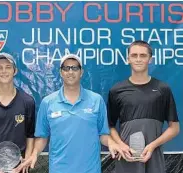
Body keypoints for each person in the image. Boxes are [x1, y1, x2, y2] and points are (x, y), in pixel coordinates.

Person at [17, 54, 124, 173]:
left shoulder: (96, 100)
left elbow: (103, 135)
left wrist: (111, 143)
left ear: (81, 72)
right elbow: (42, 137)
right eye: (66, 68)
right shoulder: (47, 102)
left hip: (90, 169)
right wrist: (34, 154)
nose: (70, 72)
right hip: (59, 169)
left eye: (75, 68)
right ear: (61, 72)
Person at [107, 40, 180, 173]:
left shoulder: (163, 89)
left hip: (154, 157)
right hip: (127, 157)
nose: (138, 59)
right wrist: (121, 145)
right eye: (134, 55)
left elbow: (174, 128)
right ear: (128, 59)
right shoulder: (116, 90)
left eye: (143, 55)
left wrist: (152, 146)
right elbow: (109, 126)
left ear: (150, 59)